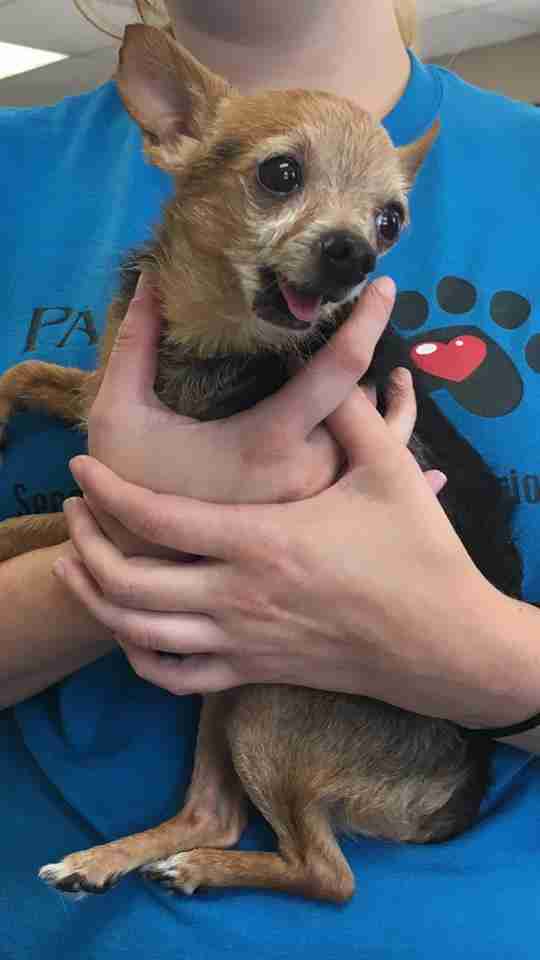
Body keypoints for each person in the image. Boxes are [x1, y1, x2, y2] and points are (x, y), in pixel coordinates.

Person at [1, 1, 540, 956]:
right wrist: (150, 540)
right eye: (281, 178)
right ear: (171, 128)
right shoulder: (20, 168)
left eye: (383, 223)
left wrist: (479, 654)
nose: (352, 246)